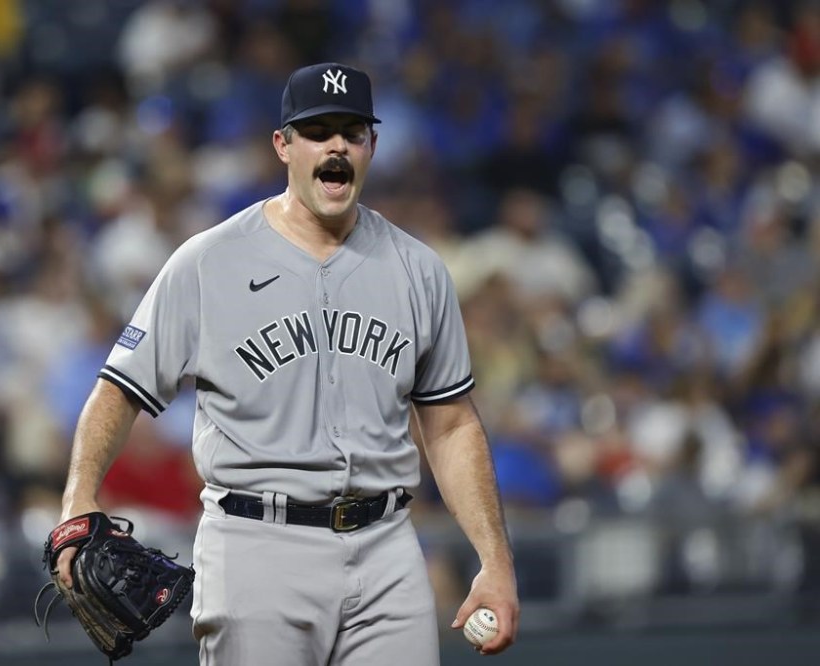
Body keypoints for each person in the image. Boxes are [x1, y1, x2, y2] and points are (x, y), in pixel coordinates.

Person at [54, 62, 519, 665]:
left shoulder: (419, 270)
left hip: (387, 546)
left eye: (352, 133)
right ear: (283, 145)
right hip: (257, 544)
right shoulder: (209, 261)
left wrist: (494, 560)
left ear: (372, 147)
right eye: (318, 132)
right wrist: (78, 498)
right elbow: (118, 390)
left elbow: (451, 425)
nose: (336, 147)